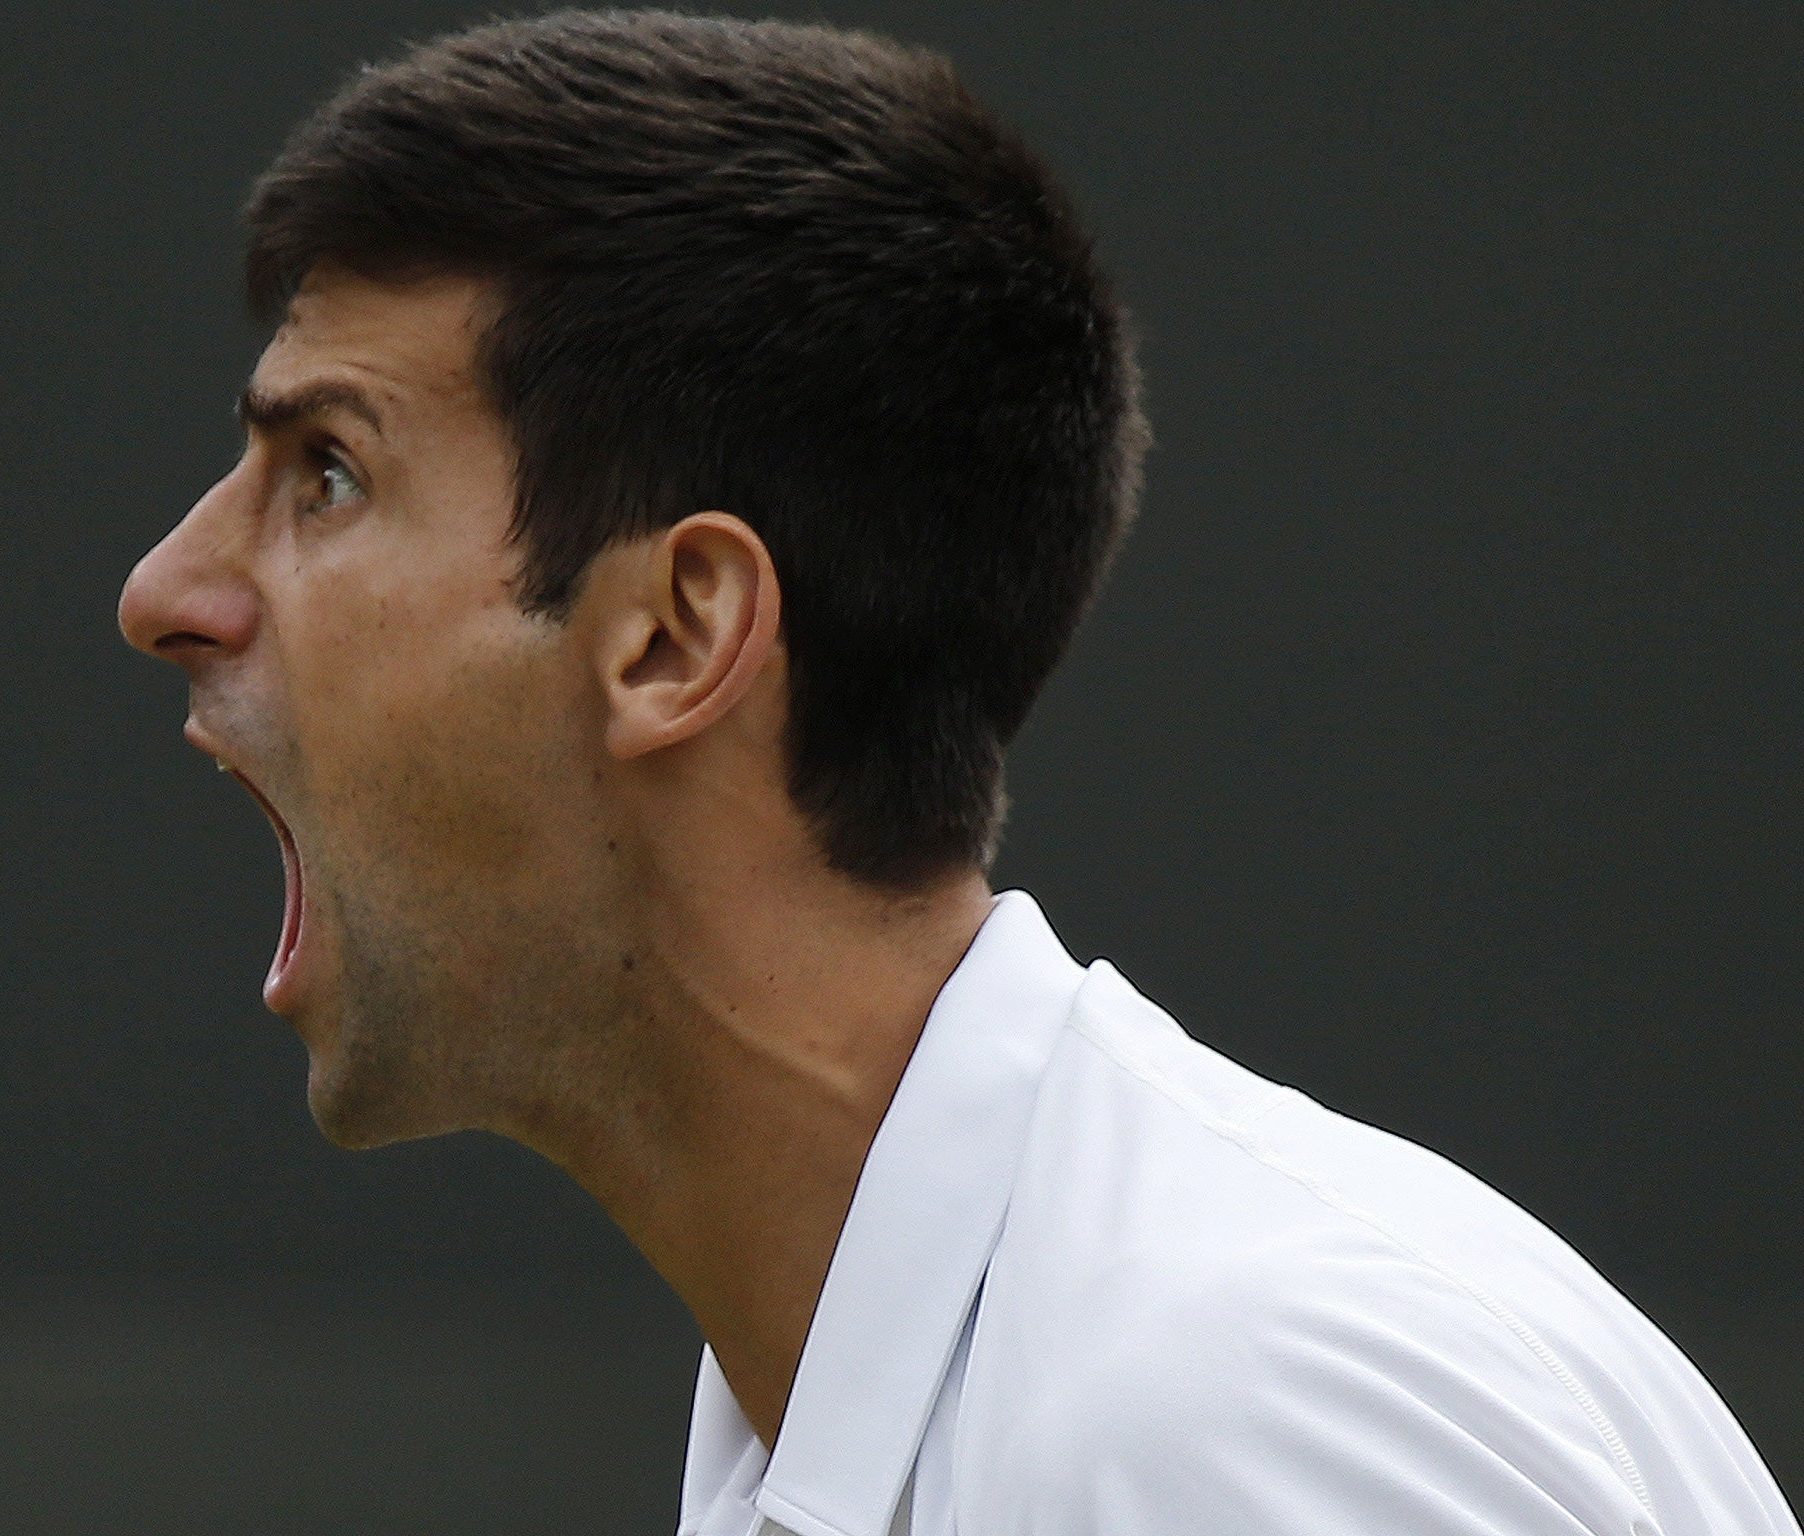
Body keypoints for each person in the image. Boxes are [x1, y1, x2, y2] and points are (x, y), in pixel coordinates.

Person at [118, 12, 1798, 1535]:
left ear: (676, 634)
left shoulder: (1214, 1430)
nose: (166, 594)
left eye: (326, 472)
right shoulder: (951, 1417)